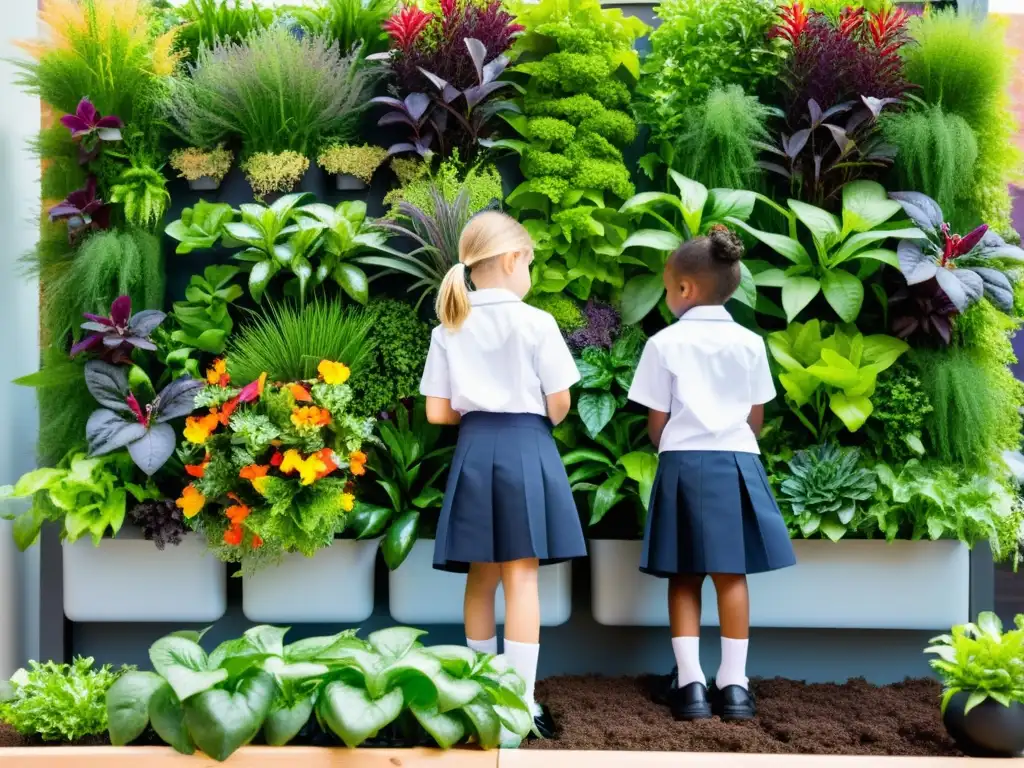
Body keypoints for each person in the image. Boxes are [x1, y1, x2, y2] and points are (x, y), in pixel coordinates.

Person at [419, 210, 587, 735]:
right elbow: (559, 403)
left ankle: (480, 693)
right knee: (522, 575)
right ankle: (520, 703)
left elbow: (437, 413)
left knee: (481, 575)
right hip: (526, 447)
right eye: (530, 263)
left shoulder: (449, 326)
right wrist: (535, 409)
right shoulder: (537, 322)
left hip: (474, 450)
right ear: (514, 260)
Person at [627, 226, 796, 722]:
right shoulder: (749, 343)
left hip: (682, 464)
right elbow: (756, 417)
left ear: (684, 289)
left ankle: (692, 685)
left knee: (684, 575)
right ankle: (736, 686)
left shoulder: (663, 344)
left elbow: (655, 422)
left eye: (665, 287)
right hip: (738, 461)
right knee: (731, 575)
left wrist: (675, 445)